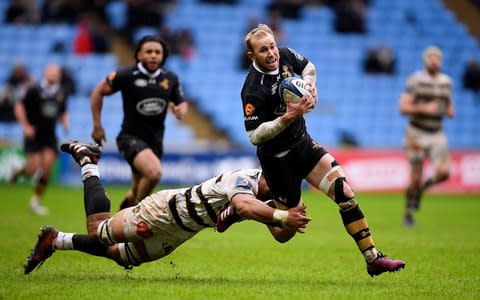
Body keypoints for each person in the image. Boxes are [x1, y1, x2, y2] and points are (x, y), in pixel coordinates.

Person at [231, 24, 404, 277]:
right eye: (263, 50)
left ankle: (372, 258)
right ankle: (255, 206)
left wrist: (310, 87)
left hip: (303, 144)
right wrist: (286, 118)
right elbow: (254, 135)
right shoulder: (252, 89)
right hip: (278, 162)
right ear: (252, 56)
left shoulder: (287, 55)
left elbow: (309, 67)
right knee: (285, 232)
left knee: (344, 192)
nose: (271, 53)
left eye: (272, 46)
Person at [23, 141, 311, 274]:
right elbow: (243, 206)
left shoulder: (265, 199)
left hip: (179, 232)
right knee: (97, 231)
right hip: (165, 211)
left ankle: (55, 240)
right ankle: (88, 162)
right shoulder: (243, 179)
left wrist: (291, 219)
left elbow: (278, 233)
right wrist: (283, 215)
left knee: (121, 257)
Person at [90, 35, 188, 210]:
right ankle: (137, 219)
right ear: (139, 55)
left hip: (155, 142)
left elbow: (181, 102)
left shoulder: (170, 78)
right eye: (148, 52)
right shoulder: (127, 75)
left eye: (157, 52)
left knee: (136, 191)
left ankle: (117, 227)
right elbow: (98, 91)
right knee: (154, 173)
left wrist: (180, 109)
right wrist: (97, 125)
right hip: (130, 137)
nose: (153, 55)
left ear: (163, 56)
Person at [398, 46, 455, 227]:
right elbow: (403, 107)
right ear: (425, 60)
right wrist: (424, 108)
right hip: (416, 132)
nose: (434, 61)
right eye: (431, 58)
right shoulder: (415, 80)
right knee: (416, 175)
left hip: (437, 132)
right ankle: (408, 213)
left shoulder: (446, 82)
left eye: (437, 58)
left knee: (444, 172)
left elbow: (448, 105)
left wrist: (449, 110)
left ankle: (421, 190)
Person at [9, 64, 70, 215]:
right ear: (45, 73)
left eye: (56, 73)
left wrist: (65, 121)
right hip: (34, 135)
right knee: (33, 169)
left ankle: (35, 202)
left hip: (50, 136)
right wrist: (26, 126)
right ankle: (18, 171)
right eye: (51, 72)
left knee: (47, 167)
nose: (54, 75)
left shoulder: (61, 92)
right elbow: (19, 106)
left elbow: (62, 110)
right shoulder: (34, 89)